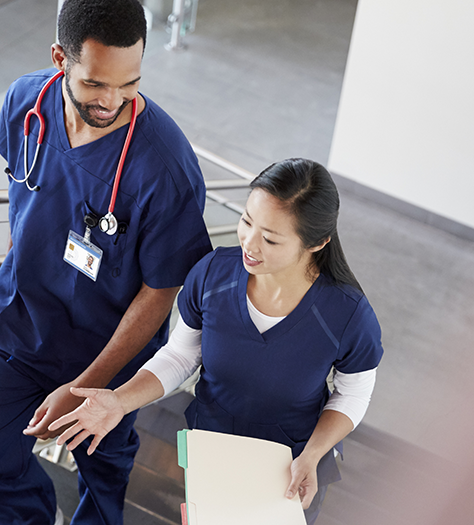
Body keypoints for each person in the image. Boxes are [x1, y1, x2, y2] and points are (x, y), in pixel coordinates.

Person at [0, 1, 212, 524]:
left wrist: (84, 386)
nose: (112, 101)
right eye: (95, 84)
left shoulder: (164, 167)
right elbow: (22, 189)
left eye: (129, 83)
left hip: (109, 353)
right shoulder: (27, 102)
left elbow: (161, 291)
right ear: (60, 58)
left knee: (103, 461)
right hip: (20, 326)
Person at [49, 158, 383, 524]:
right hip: (212, 447)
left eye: (270, 238)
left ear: (318, 242)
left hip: (289, 465)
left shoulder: (348, 315)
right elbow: (180, 356)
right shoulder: (212, 274)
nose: (249, 244)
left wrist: (314, 454)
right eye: (246, 221)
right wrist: (119, 401)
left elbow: (353, 393)